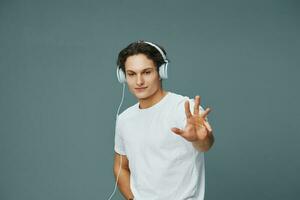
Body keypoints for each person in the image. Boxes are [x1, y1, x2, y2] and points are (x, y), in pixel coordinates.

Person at [113, 40, 214, 200]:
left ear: (161, 71)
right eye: (131, 74)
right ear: (122, 76)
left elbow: (204, 145)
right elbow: (120, 167)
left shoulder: (184, 109)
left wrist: (200, 138)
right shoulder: (125, 119)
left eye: (146, 72)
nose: (139, 81)